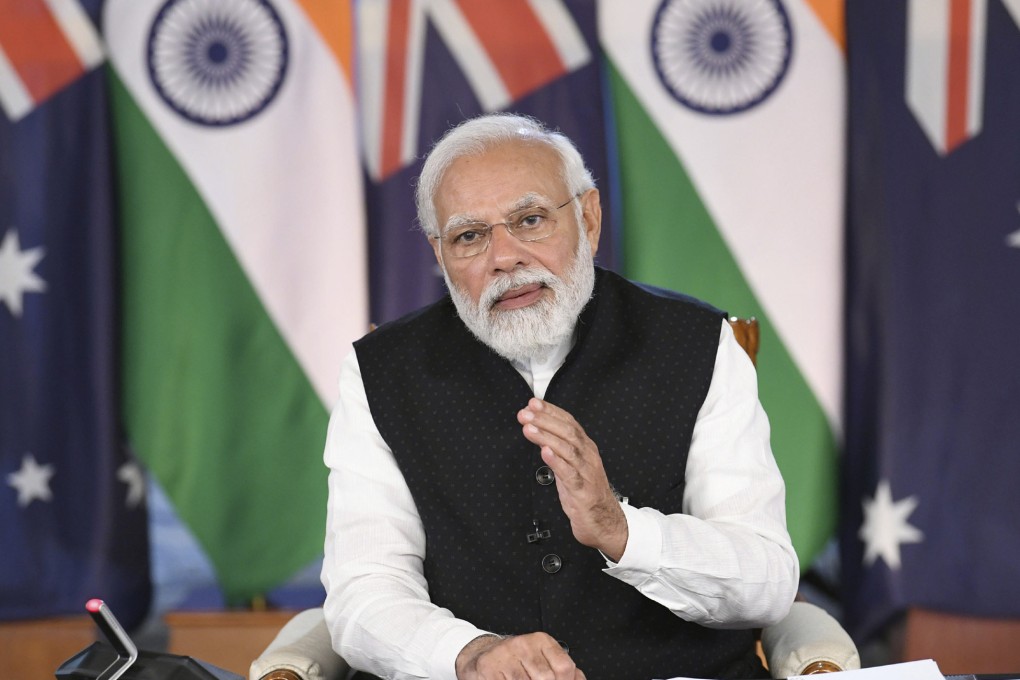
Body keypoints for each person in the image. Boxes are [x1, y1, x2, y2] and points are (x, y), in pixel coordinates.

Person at [321, 113, 798, 680]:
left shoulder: (696, 344)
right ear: (439, 252)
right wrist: (466, 654)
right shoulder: (384, 371)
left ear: (589, 219)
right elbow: (365, 590)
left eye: (529, 220)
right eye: (470, 236)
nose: (504, 257)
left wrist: (621, 530)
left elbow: (767, 581)